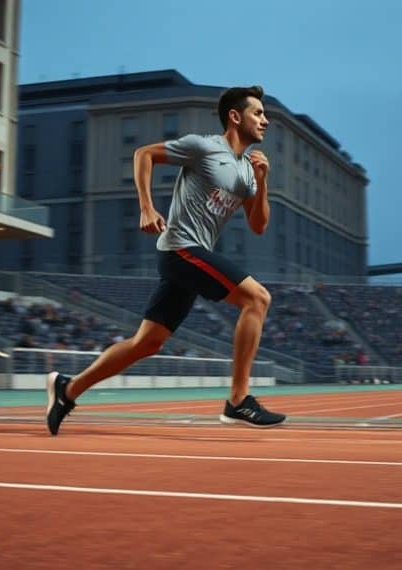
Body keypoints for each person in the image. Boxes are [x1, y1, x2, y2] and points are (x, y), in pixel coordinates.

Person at [46, 85, 286, 435]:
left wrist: (262, 182)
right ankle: (238, 401)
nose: (265, 120)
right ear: (235, 117)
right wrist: (146, 206)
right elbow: (144, 154)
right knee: (258, 298)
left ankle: (67, 389)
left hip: (193, 255)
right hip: (180, 248)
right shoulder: (204, 147)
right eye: (258, 113)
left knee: (147, 343)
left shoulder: (248, 171)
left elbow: (259, 225)